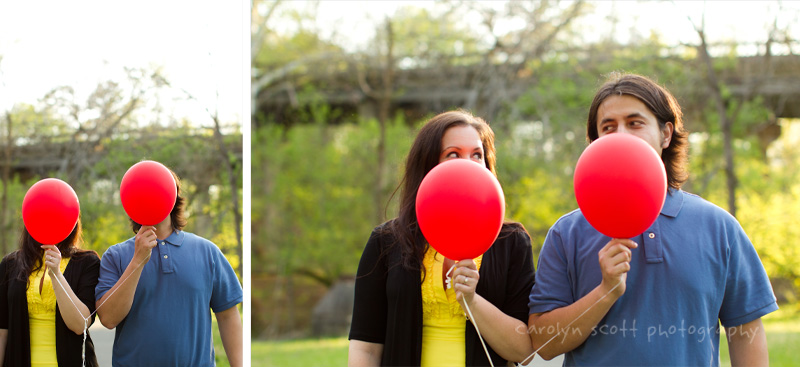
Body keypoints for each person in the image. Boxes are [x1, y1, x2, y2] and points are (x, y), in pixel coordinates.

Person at [527, 73, 778, 366]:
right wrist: (605, 292)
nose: (621, 135)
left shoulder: (719, 227)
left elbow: (746, 332)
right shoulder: (566, 233)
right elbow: (542, 344)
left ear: (666, 134)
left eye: (635, 123)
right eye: (608, 127)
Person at [348, 110, 536, 366]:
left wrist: (472, 300)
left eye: (477, 155)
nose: (468, 163)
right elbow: (366, 349)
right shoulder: (385, 241)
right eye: (453, 154)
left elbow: (524, 352)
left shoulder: (512, 242)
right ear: (428, 164)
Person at [95, 167, 243, 367]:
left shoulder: (208, 252)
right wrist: (137, 261)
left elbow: (227, 315)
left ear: (172, 196)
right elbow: (108, 319)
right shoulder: (115, 256)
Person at [0, 218, 100, 367]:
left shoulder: (87, 262)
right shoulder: (10, 264)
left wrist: (56, 275)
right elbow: (2, 331)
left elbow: (80, 325)